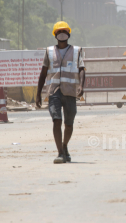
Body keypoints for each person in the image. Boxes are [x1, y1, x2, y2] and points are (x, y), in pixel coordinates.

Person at [36, 21, 85, 164]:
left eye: (64, 31)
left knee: (69, 124)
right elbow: (43, 73)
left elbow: (82, 69)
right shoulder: (49, 51)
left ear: (69, 34)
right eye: (59, 32)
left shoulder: (76, 51)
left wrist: (81, 86)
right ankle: (60, 154)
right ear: (55, 35)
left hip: (70, 92)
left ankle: (64, 146)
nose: (62, 34)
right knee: (57, 121)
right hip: (54, 92)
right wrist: (38, 94)